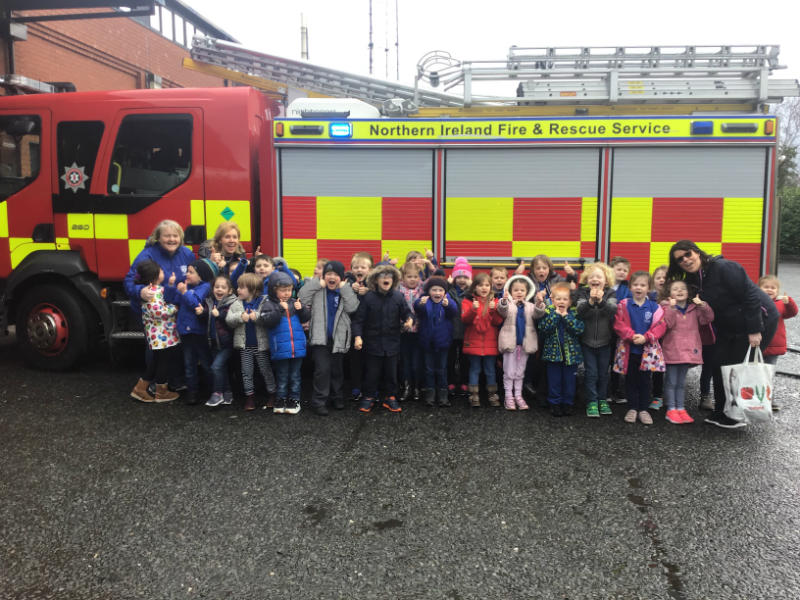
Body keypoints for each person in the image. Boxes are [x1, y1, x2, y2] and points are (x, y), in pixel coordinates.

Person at [667, 240, 778, 429]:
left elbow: (750, 296)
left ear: (697, 252)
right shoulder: (695, 279)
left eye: (688, 254)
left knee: (736, 368)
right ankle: (721, 410)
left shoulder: (724, 268)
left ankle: (735, 415)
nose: (685, 260)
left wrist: (754, 330)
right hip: (729, 327)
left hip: (758, 321)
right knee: (718, 364)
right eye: (680, 259)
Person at [123, 219, 196, 391]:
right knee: (157, 349)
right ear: (158, 237)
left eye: (175, 236)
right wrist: (140, 291)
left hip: (176, 309)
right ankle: (153, 383)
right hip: (154, 312)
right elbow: (129, 281)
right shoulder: (147, 255)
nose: (172, 239)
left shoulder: (187, 253)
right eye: (167, 236)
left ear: (181, 237)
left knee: (176, 345)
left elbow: (194, 277)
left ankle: (175, 380)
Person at [297, 260, 359, 415]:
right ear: (324, 276)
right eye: (328, 274)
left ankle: (337, 397)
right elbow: (302, 297)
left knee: (337, 370)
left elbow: (353, 307)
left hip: (338, 338)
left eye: (336, 275)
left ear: (342, 278)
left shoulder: (345, 291)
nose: (332, 277)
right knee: (322, 370)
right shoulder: (318, 290)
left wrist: (345, 288)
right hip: (320, 338)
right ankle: (319, 401)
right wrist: (318, 283)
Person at [352, 264, 413, 413]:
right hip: (372, 343)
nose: (386, 279)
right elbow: (358, 320)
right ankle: (368, 397)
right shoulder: (368, 298)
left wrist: (409, 320)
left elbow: (407, 313)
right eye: (382, 276)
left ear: (394, 280)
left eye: (389, 276)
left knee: (391, 373)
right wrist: (358, 337)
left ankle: (390, 397)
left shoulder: (398, 297)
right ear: (375, 280)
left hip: (392, 343)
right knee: (372, 372)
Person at [613, 271, 666, 425]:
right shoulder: (623, 305)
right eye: (635, 284)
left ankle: (643, 409)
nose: (639, 288)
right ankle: (632, 407)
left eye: (642, 285)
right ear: (630, 287)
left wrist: (646, 337)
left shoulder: (654, 307)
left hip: (647, 352)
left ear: (648, 288)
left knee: (645, 381)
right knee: (630, 379)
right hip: (630, 351)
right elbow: (618, 324)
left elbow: (661, 326)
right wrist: (631, 336)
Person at [164, 258, 218, 405]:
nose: (187, 274)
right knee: (189, 363)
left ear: (201, 275)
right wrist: (170, 286)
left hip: (199, 332)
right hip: (185, 332)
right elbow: (171, 299)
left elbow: (196, 303)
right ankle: (192, 392)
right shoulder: (186, 286)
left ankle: (213, 390)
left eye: (191, 272)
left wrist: (185, 292)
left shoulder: (205, 287)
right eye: (187, 271)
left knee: (206, 363)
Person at [659, 279, 714, 424]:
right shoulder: (665, 307)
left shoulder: (694, 309)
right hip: (672, 350)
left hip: (688, 351)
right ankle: (671, 409)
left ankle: (681, 408)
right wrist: (671, 308)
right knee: (671, 382)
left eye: (683, 288)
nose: (679, 291)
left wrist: (702, 305)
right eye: (675, 289)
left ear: (688, 292)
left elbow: (708, 318)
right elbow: (667, 324)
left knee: (681, 383)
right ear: (669, 293)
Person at [128, 260, 180, 403]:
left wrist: (170, 285)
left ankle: (141, 388)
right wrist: (173, 309)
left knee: (156, 362)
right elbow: (157, 311)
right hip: (160, 334)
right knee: (162, 362)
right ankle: (161, 392)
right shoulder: (152, 292)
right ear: (155, 276)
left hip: (159, 334)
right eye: (162, 271)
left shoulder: (152, 289)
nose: (164, 273)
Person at [261, 271, 311, 415]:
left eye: (289, 290)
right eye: (282, 290)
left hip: (297, 347)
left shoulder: (295, 302)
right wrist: (278, 309)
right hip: (281, 348)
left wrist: (301, 310)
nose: (286, 293)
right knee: (282, 376)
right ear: (273, 290)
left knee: (295, 376)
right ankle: (280, 399)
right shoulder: (269, 304)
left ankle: (294, 399)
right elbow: (267, 321)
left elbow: (306, 318)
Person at [226, 272, 276, 411]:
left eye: (242, 287)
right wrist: (240, 317)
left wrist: (257, 317)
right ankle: (250, 397)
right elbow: (229, 320)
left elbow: (270, 317)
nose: (238, 290)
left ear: (253, 290)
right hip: (245, 346)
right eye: (238, 287)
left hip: (260, 346)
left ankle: (272, 394)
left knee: (266, 370)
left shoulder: (263, 302)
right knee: (246, 372)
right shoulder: (236, 303)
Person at [574, 262, 617, 418]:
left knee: (604, 373)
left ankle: (602, 399)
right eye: (592, 276)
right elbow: (580, 311)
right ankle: (592, 401)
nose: (595, 279)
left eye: (599, 276)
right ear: (587, 279)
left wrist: (601, 301)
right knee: (591, 372)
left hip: (605, 342)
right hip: (587, 341)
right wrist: (591, 302)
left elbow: (613, 311)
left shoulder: (610, 293)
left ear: (606, 280)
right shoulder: (583, 293)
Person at [496, 274, 545, 411]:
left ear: (527, 292)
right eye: (516, 290)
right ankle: (508, 396)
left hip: (524, 345)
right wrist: (504, 301)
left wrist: (540, 303)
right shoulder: (509, 305)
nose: (519, 293)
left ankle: (518, 396)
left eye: (522, 290)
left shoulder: (530, 306)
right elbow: (502, 310)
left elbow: (538, 314)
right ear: (511, 292)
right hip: (509, 344)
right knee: (509, 372)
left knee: (520, 372)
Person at [537, 282, 584, 416]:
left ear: (570, 301)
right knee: (554, 381)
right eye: (558, 299)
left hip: (571, 356)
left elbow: (579, 329)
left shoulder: (574, 313)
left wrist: (566, 317)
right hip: (553, 356)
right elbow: (544, 328)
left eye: (565, 299)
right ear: (552, 300)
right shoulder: (548, 312)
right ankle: (555, 403)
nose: (561, 302)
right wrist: (556, 315)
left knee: (569, 382)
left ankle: (567, 403)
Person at [414, 276, 459, 407]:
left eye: (440, 290)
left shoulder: (447, 301)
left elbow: (454, 311)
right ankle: (430, 394)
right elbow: (417, 307)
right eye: (434, 290)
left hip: (443, 342)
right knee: (428, 369)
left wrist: (448, 305)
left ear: (444, 292)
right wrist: (419, 303)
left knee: (442, 369)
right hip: (427, 341)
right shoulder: (424, 301)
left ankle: (443, 395)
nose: (437, 293)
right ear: (429, 291)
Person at [462, 272, 503, 408]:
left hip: (490, 344)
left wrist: (493, 311)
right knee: (474, 369)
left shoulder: (495, 301)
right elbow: (465, 320)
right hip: (474, 342)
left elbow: (497, 322)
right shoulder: (468, 301)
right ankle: (473, 394)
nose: (484, 288)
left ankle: (492, 394)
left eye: (487, 285)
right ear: (474, 287)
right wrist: (473, 310)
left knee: (490, 369)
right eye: (480, 285)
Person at [759, 274, 797, 411]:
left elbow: (793, 312)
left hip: (774, 345)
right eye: (766, 287)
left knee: (769, 374)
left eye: (773, 288)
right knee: (756, 372)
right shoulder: (756, 302)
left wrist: (789, 302)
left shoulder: (780, 304)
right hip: (759, 345)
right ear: (759, 289)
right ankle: (757, 398)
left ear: (778, 291)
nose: (769, 290)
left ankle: (769, 399)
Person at [202, 274, 237, 407]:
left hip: (227, 343)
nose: (219, 290)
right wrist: (202, 312)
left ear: (229, 291)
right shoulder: (210, 302)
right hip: (214, 341)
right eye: (217, 287)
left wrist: (220, 315)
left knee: (216, 367)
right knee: (221, 368)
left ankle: (217, 393)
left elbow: (232, 320)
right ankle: (227, 392)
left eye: (223, 287)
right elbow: (208, 315)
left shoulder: (232, 302)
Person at [346, 251, 373, 403]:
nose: (359, 270)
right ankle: (356, 386)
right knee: (355, 359)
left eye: (363, 267)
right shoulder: (348, 283)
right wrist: (350, 288)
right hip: (353, 328)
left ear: (370, 270)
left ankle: (371, 387)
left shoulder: (375, 284)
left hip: (371, 328)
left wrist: (369, 292)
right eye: (356, 267)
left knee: (371, 360)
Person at [397, 262, 424, 401]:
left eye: (415, 276)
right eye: (409, 276)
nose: (413, 279)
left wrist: (432, 264)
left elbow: (437, 281)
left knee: (416, 362)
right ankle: (406, 386)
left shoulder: (423, 289)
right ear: (403, 278)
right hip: (404, 332)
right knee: (405, 361)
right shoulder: (398, 291)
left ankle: (417, 387)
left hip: (419, 332)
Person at [447, 257, 472, 399]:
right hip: (451, 331)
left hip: (466, 332)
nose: (462, 280)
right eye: (459, 277)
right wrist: (447, 285)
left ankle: (464, 382)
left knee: (465, 359)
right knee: (450, 359)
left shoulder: (471, 292)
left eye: (465, 277)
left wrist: (472, 286)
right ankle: (450, 382)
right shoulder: (449, 291)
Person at [648, 265, 669, 410]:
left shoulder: (672, 297)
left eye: (665, 277)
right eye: (658, 277)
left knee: (658, 369)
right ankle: (644, 393)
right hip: (650, 337)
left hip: (665, 339)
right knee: (645, 367)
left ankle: (657, 396)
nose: (661, 280)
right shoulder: (649, 296)